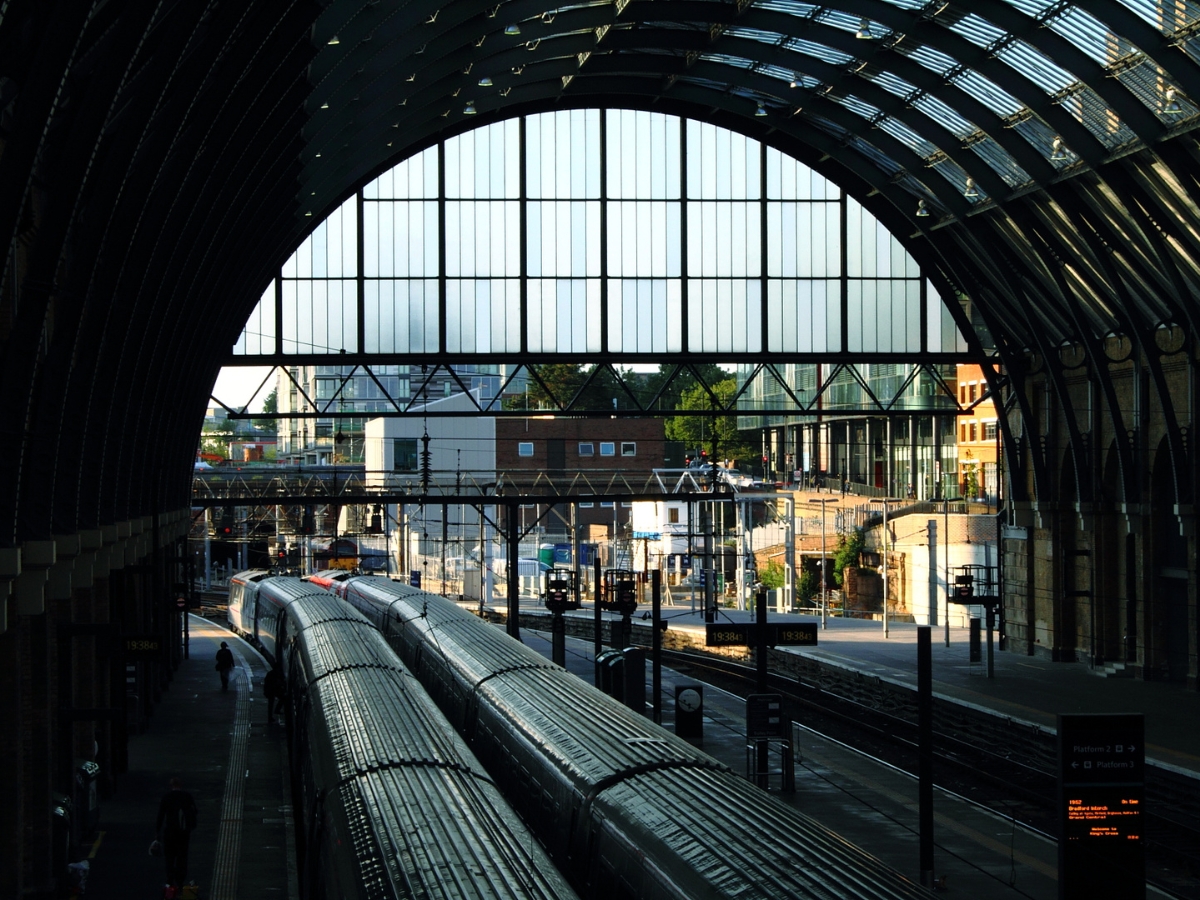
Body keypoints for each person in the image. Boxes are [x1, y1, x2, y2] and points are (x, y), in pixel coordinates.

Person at [155, 777, 197, 891]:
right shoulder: (187, 796)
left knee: (169, 857)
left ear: (171, 785)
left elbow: (160, 816)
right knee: (182, 856)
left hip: (170, 833)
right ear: (181, 785)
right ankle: (180, 881)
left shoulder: (166, 797)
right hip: (183, 833)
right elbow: (194, 812)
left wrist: (157, 832)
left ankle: (170, 880)